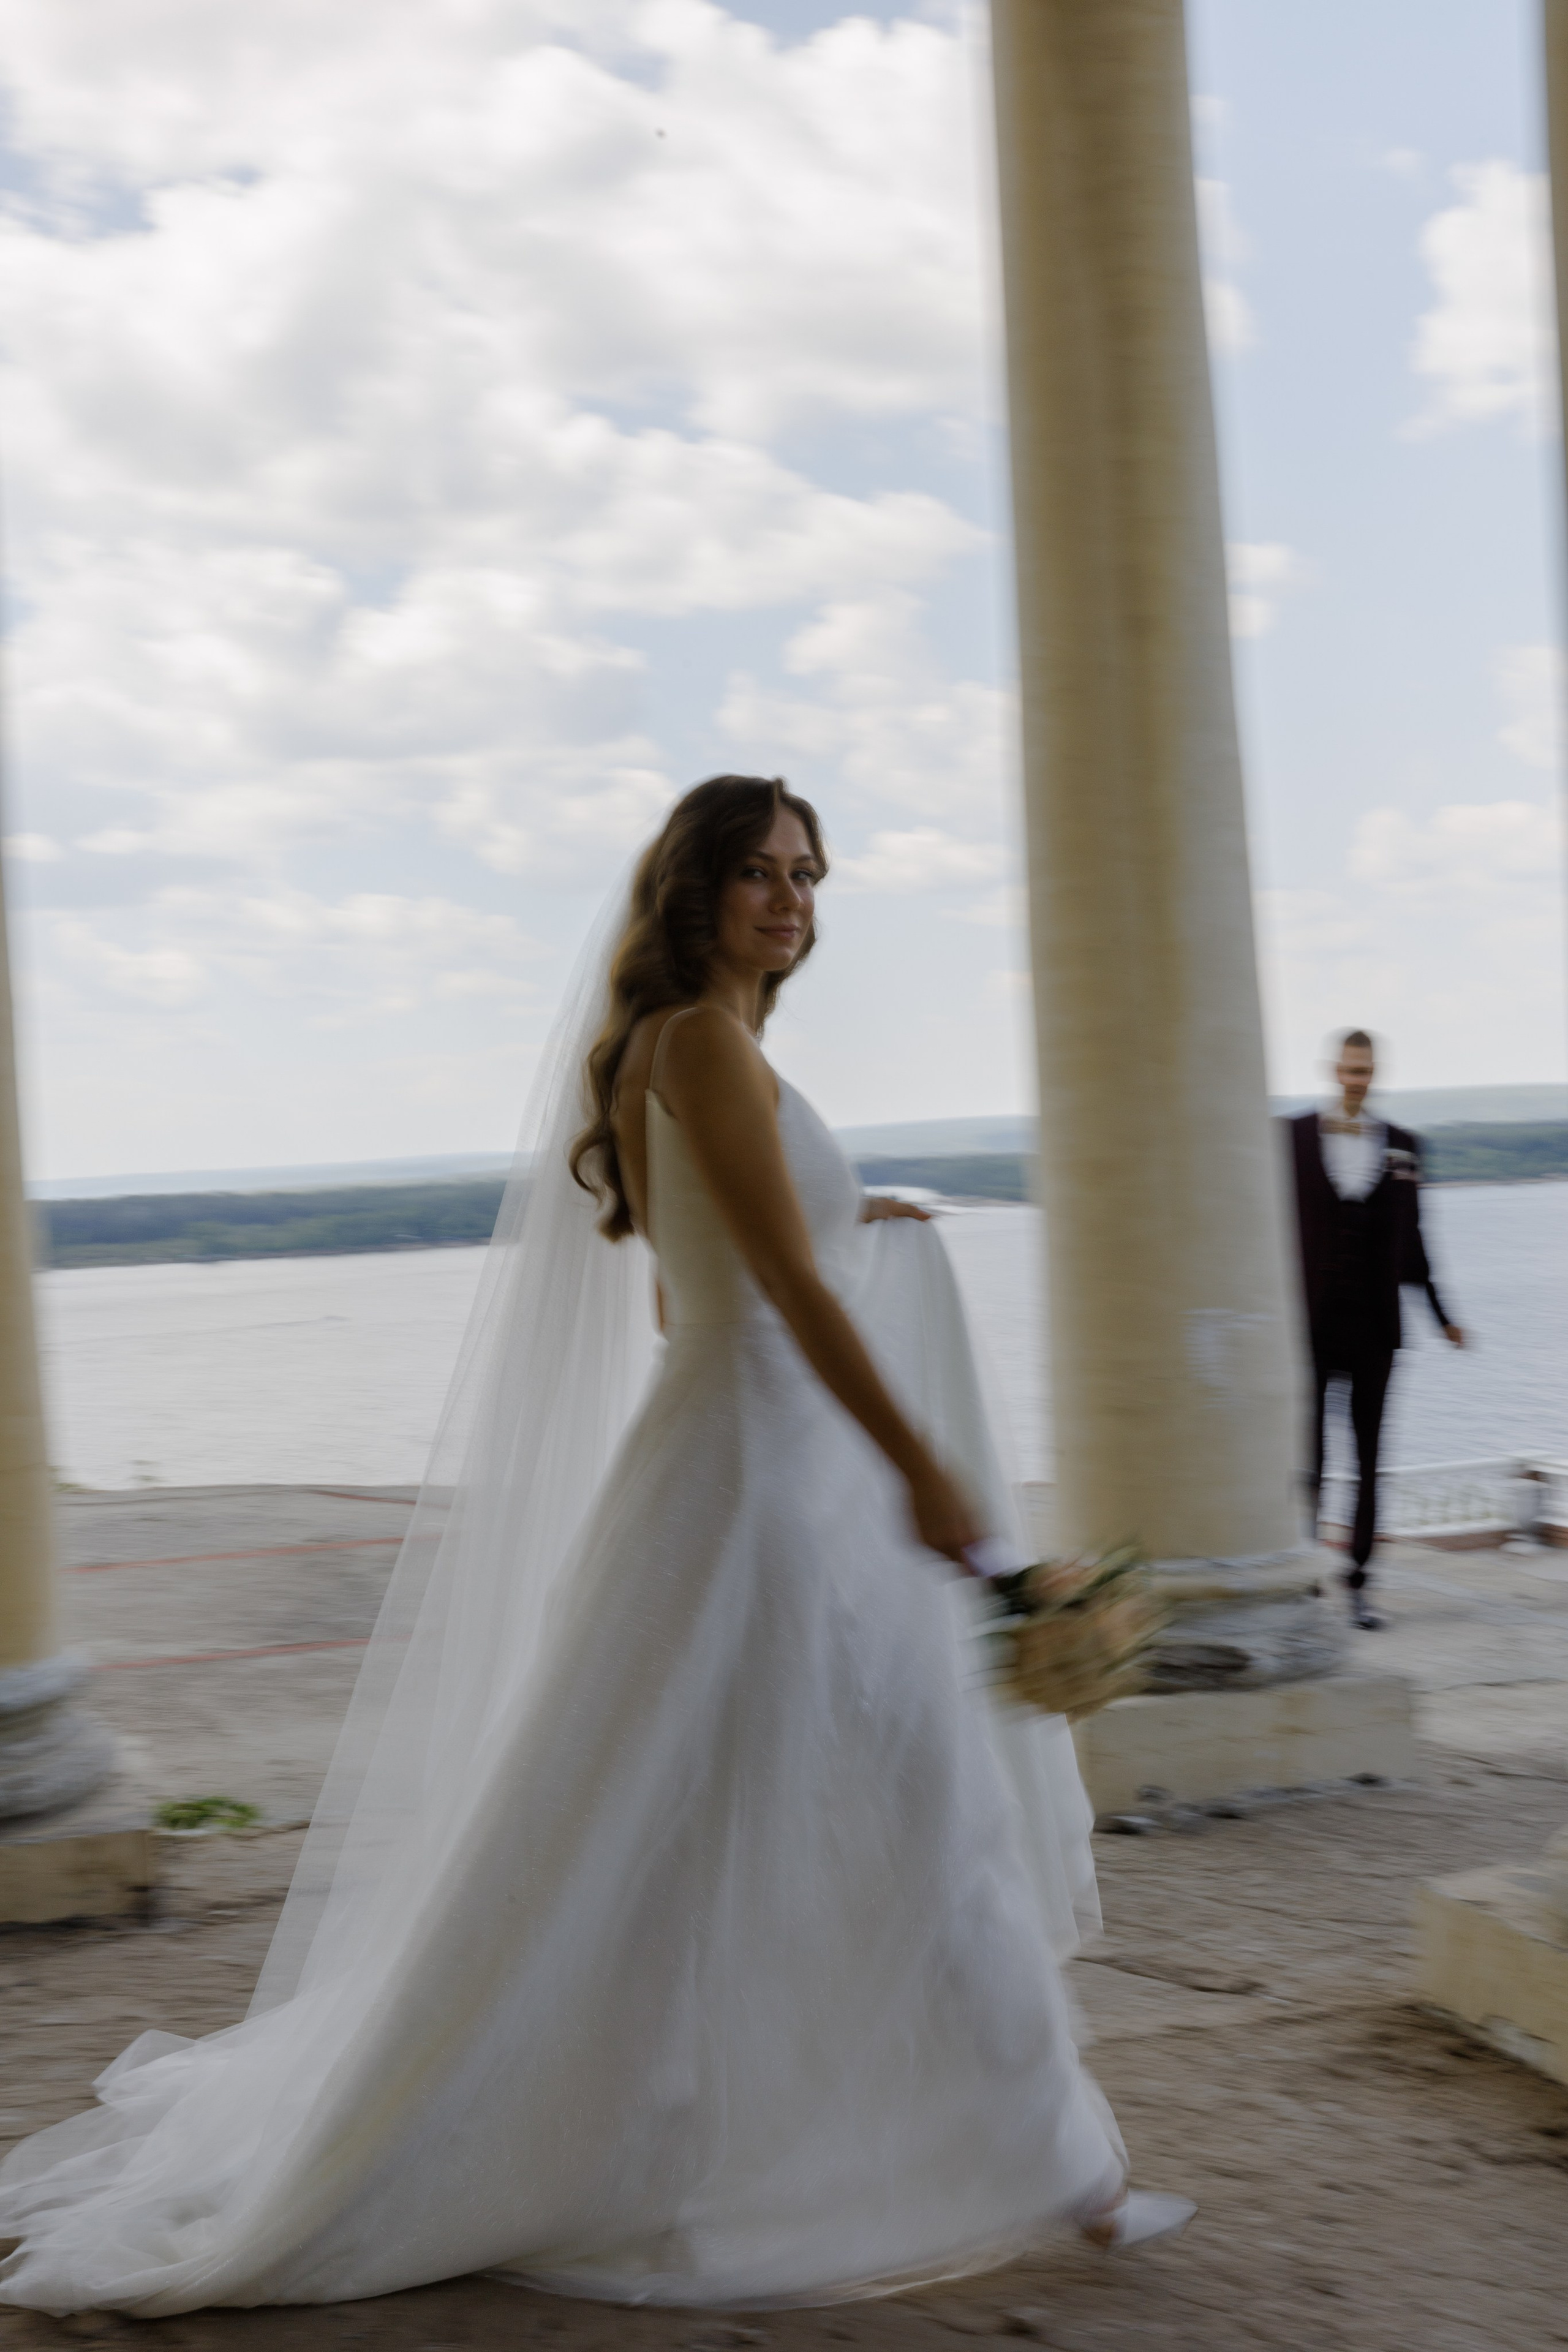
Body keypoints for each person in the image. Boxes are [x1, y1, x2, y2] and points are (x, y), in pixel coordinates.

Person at [0, 777, 1190, 2319]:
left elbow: (689, 1294)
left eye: (806, 874)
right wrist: (926, 1473)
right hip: (770, 1493)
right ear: (692, 886)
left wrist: (859, 1223)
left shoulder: (700, 1050)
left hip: (747, 1474)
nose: (790, 899)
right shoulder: (697, 1040)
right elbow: (782, 1298)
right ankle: (1051, 2173)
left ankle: (1045, 2165)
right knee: (893, 1801)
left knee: (781, 1815)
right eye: (759, 871)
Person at [1288, 1030, 1463, 1632]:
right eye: (1349, 1069)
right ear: (1332, 1070)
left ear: (1374, 1073)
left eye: (1366, 1071)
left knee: (1368, 1461)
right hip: (1309, 1326)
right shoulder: (1289, 1139)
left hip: (1375, 1330)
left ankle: (1358, 1586)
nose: (1357, 1080)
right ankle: (1304, 1579)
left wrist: (1442, 1316)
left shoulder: (1404, 1149)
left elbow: (1414, 1243)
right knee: (1307, 1462)